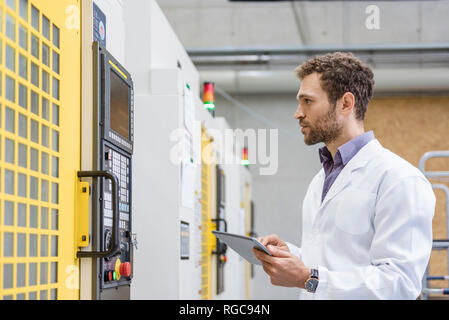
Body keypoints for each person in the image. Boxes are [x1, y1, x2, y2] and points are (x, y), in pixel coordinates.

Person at [252, 52, 436, 300]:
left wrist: (308, 278)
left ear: (346, 104)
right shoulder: (322, 178)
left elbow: (400, 283)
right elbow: (332, 259)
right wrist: (292, 256)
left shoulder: (399, 179)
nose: (298, 113)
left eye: (308, 101)